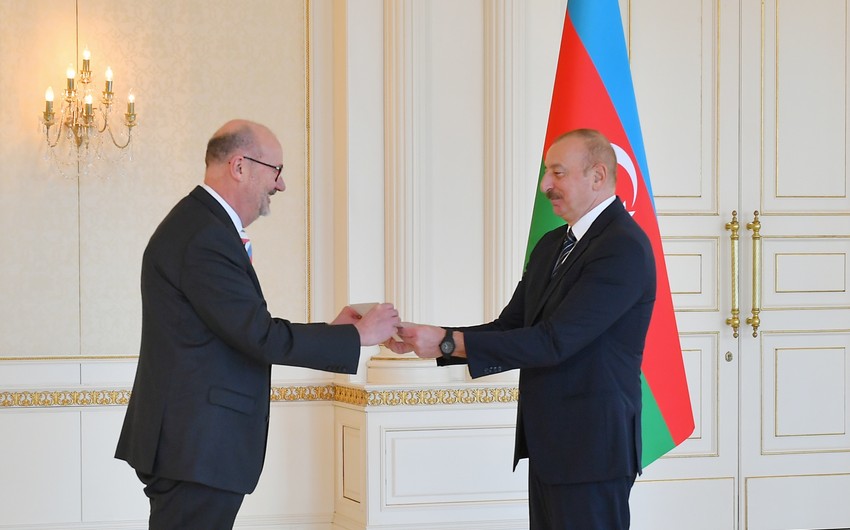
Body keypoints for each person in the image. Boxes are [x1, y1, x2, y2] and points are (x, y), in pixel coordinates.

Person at [115, 119, 400, 529]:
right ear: (239, 166)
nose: (280, 185)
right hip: (195, 450)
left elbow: (242, 329)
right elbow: (259, 335)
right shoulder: (204, 236)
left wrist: (337, 332)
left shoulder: (201, 225)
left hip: (194, 448)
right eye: (276, 170)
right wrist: (356, 336)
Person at [387, 129, 656, 529]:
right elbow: (510, 326)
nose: (546, 185)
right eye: (547, 172)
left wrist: (447, 343)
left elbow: (555, 341)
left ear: (598, 176)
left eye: (558, 173)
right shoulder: (551, 245)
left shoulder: (622, 247)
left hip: (593, 451)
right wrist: (434, 339)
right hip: (551, 448)